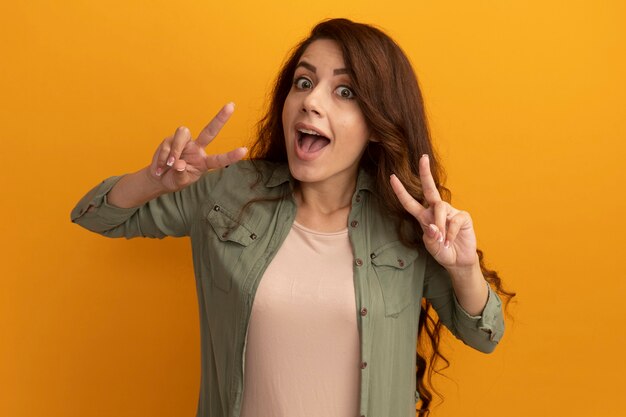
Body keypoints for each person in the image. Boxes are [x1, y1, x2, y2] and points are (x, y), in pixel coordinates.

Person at [71, 18, 513, 417]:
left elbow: (484, 335)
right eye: (303, 82)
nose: (310, 101)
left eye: (344, 91)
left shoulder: (407, 226)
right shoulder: (226, 190)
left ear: (378, 124)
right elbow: (95, 216)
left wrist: (464, 266)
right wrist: (153, 181)